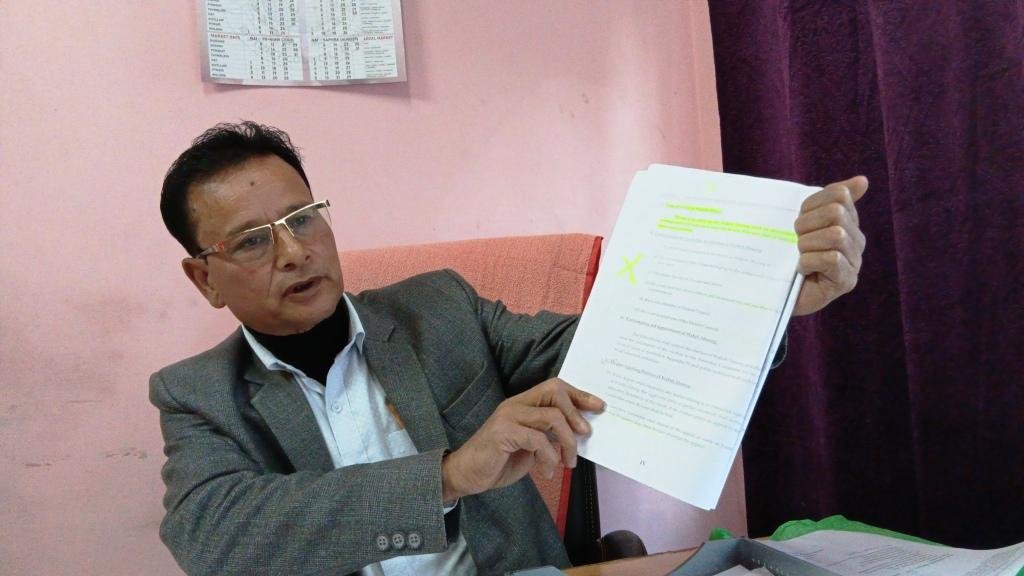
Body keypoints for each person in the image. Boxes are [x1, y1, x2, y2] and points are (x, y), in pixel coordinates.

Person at [151, 122, 867, 576]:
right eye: (253, 240)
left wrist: (770, 298)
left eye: (303, 219)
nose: (293, 251)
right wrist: (452, 474)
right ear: (204, 278)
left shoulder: (438, 310)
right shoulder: (198, 393)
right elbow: (215, 538)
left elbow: (605, 356)